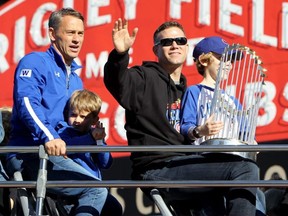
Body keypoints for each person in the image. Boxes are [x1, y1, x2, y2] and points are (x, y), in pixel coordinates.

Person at [104, 19, 259, 216]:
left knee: (240, 195)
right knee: (244, 169)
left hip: (186, 164)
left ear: (187, 47)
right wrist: (119, 55)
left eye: (180, 40)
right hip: (157, 168)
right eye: (167, 42)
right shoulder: (143, 78)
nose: (174, 44)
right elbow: (118, 82)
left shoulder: (187, 89)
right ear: (156, 50)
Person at [6, 8, 108, 216]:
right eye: (70, 33)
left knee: (111, 207)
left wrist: (96, 139)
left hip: (59, 154)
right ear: (52, 34)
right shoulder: (35, 62)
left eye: (80, 33)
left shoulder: (76, 79)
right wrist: (49, 136)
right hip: (30, 152)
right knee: (96, 191)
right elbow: (27, 103)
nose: (76, 39)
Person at [180, 36, 260, 215]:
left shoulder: (232, 99)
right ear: (204, 60)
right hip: (206, 163)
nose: (229, 64)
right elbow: (185, 127)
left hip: (234, 162)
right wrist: (201, 130)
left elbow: (245, 131)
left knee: (257, 201)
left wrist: (251, 141)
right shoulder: (194, 92)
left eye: (231, 60)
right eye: (223, 58)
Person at [56, 89, 123, 215]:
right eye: (73, 115)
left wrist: (99, 142)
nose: (77, 120)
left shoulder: (94, 134)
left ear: (94, 120)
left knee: (114, 208)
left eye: (83, 117)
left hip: (94, 187)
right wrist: (91, 138)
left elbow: (106, 163)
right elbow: (66, 147)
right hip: (73, 191)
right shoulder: (63, 131)